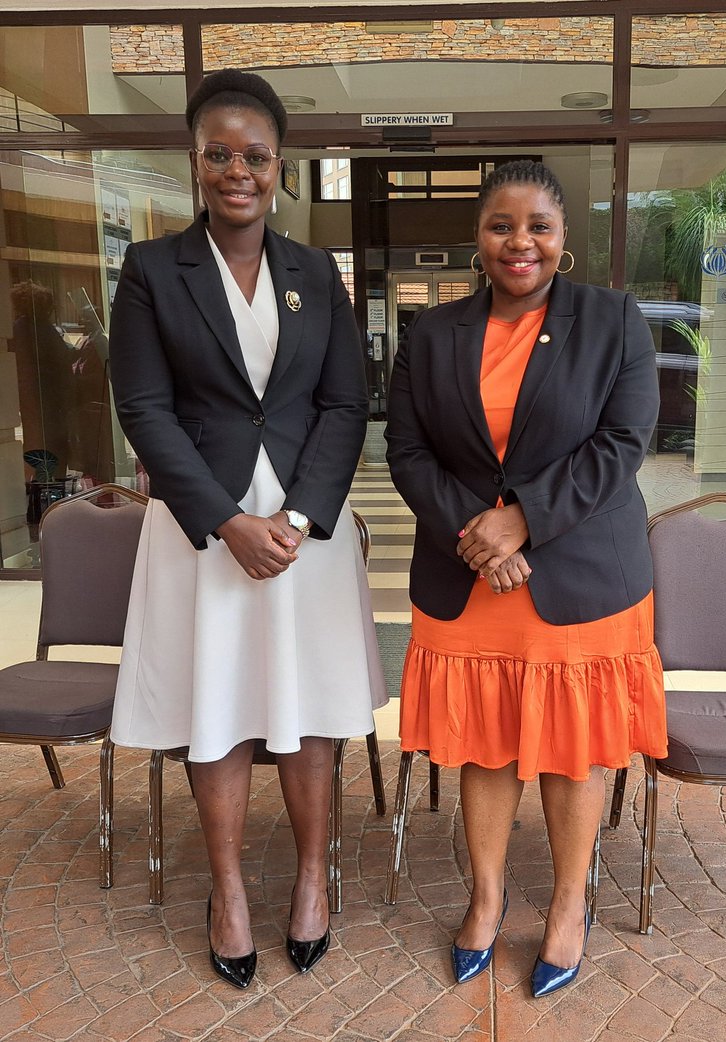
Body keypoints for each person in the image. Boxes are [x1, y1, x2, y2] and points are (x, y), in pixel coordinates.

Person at [107, 70, 386, 989]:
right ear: (194, 162)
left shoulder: (316, 272)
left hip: (306, 533)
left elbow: (347, 402)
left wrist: (297, 517)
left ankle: (310, 880)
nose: (238, 171)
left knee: (304, 711)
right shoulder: (152, 270)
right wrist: (228, 521)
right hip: (203, 533)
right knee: (217, 713)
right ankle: (226, 892)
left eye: (255, 156)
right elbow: (144, 410)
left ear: (281, 166)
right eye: (219, 154)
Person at [386, 160, 667, 999]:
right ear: (478, 238)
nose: (520, 242)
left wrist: (526, 519)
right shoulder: (431, 334)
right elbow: (406, 450)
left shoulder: (613, 320)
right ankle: (486, 899)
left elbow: (625, 441)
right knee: (485, 742)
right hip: (468, 572)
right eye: (501, 225)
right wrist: (480, 533)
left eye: (538, 225)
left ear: (563, 238)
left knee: (573, 750)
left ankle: (570, 907)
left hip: (579, 571)